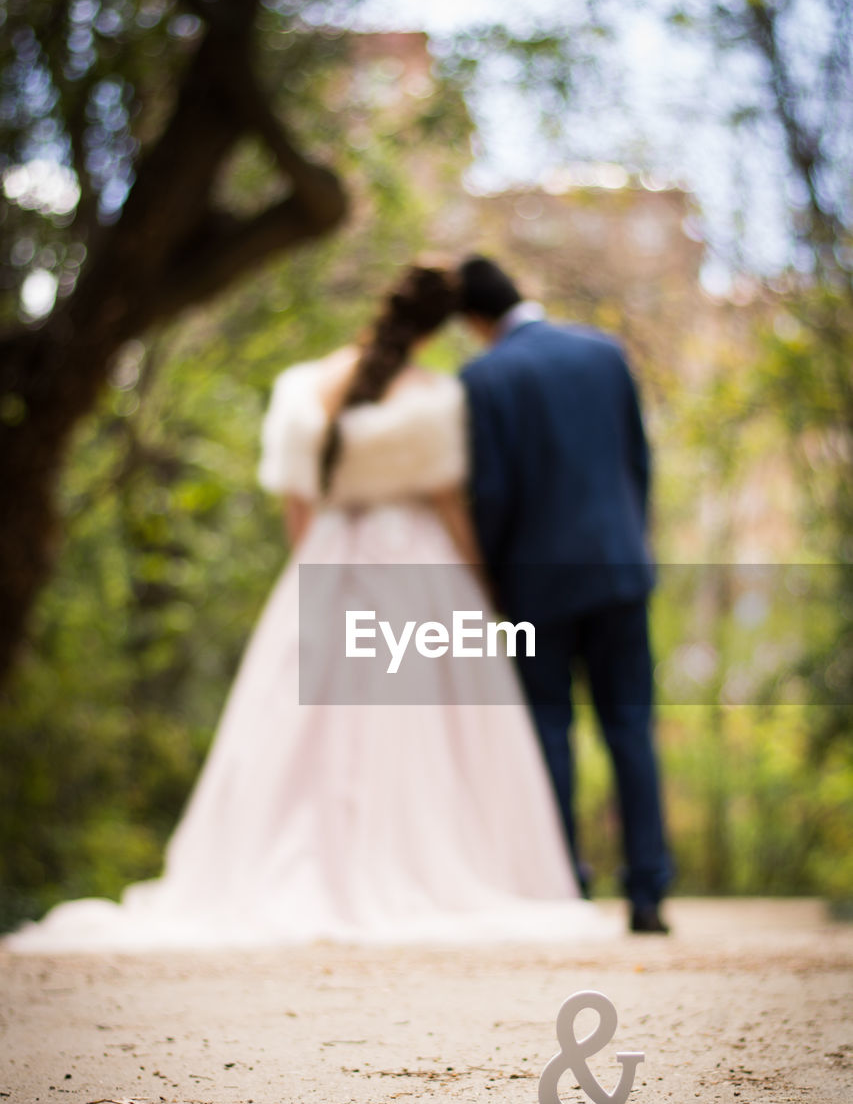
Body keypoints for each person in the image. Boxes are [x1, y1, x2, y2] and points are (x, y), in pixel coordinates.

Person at [5, 264, 613, 951]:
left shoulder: (302, 387)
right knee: (431, 728)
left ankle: (290, 863)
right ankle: (421, 863)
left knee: (305, 724)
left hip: (329, 556)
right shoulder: (439, 397)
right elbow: (448, 506)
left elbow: (296, 501)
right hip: (417, 570)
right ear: (437, 330)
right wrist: (484, 590)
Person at [457, 255, 674, 934]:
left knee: (549, 729)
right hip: (618, 571)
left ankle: (565, 885)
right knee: (629, 729)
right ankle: (646, 892)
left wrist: (488, 578)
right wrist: (631, 544)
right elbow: (637, 462)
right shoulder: (603, 352)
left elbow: (489, 494)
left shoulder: (483, 376)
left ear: (472, 320)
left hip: (534, 582)